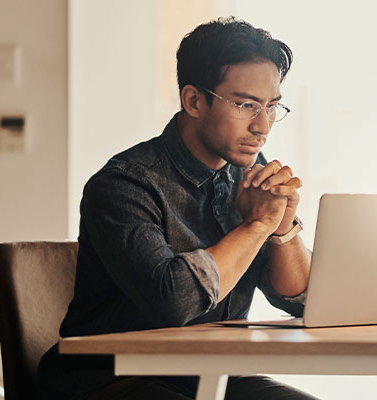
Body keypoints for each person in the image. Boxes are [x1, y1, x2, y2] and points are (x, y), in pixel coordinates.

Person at [36, 17, 316, 399]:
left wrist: (281, 230)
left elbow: (297, 298)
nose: (262, 126)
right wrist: (255, 226)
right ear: (194, 100)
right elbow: (175, 301)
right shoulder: (124, 184)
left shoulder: (248, 174)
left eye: (272, 106)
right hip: (111, 380)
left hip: (215, 376)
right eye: (246, 105)